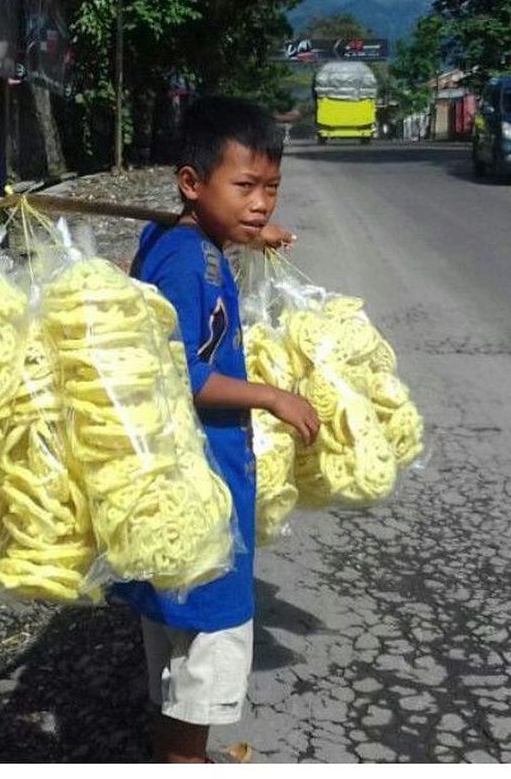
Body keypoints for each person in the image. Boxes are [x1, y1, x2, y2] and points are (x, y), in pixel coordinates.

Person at [113, 95, 320, 763]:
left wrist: (250, 233)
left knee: (179, 649)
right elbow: (183, 374)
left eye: (271, 188)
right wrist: (272, 396)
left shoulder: (180, 241)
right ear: (191, 182)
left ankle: (176, 750)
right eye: (246, 187)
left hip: (181, 490)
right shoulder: (187, 261)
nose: (260, 203)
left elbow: (199, 242)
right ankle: (184, 759)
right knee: (210, 642)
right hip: (202, 494)